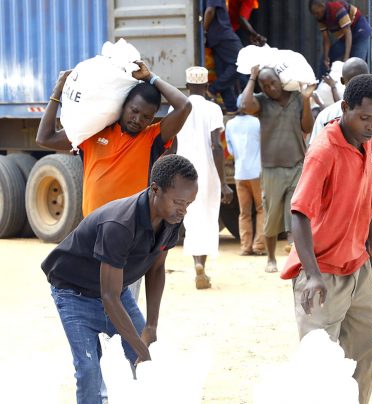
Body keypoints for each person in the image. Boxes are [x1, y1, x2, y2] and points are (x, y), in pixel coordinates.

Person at [41, 154, 198, 404]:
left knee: (148, 358)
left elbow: (157, 268)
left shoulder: (171, 218)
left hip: (116, 291)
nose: (183, 210)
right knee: (89, 370)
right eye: (179, 202)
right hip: (74, 293)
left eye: (189, 203)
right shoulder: (120, 223)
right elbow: (109, 297)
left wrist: (151, 327)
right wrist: (139, 347)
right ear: (155, 189)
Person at [36, 60, 191, 300]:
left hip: (130, 238)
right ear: (123, 106)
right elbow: (44, 138)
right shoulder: (93, 133)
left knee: (121, 305)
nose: (138, 119)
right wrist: (57, 92)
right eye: (134, 111)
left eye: (146, 116)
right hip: (92, 234)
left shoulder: (151, 138)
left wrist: (151, 77)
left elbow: (184, 106)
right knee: (91, 302)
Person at [282, 74, 372, 404]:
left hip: (357, 266)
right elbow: (299, 213)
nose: (371, 126)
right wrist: (313, 274)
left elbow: (363, 198)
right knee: (320, 364)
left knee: (369, 349)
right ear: (345, 108)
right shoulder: (324, 151)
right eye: (364, 117)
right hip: (321, 273)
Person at [309, 57, 372, 321]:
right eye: (365, 118)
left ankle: (371, 322)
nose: (371, 125)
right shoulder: (336, 124)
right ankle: (369, 320)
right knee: (352, 268)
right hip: (361, 207)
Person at [239, 65, 315, 273]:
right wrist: (252, 77)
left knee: (297, 213)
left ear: (280, 81)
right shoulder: (262, 102)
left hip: (297, 165)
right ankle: (271, 258)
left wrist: (306, 100)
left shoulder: (298, 98)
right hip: (271, 169)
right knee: (271, 217)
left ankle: (298, 257)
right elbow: (244, 105)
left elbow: (308, 127)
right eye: (265, 86)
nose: (270, 88)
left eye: (273, 83)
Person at [175, 66, 234, 289]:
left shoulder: (177, 107)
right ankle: (202, 265)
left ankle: (196, 264)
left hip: (183, 170)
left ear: (187, 86)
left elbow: (171, 144)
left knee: (190, 217)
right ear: (207, 85)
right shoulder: (213, 109)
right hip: (207, 172)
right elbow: (216, 146)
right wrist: (224, 183)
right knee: (208, 217)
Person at [225, 95, 266, 255]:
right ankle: (259, 246)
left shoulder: (230, 124)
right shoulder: (257, 122)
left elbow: (230, 150)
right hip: (257, 173)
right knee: (262, 209)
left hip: (240, 173)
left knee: (244, 212)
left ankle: (245, 247)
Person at [308, 0, 372, 76]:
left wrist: (346, 58)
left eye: (317, 13)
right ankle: (320, 81)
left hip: (360, 32)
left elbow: (348, 33)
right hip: (345, 36)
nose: (316, 16)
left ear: (322, 6)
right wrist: (326, 58)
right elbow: (326, 39)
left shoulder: (336, 9)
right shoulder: (320, 18)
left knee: (356, 65)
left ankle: (356, 83)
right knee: (325, 59)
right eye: (314, 14)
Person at [204, 0, 244, 114]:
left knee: (222, 70)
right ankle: (212, 89)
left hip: (216, 36)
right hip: (222, 33)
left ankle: (231, 107)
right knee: (243, 61)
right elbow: (210, 10)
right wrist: (204, 30)